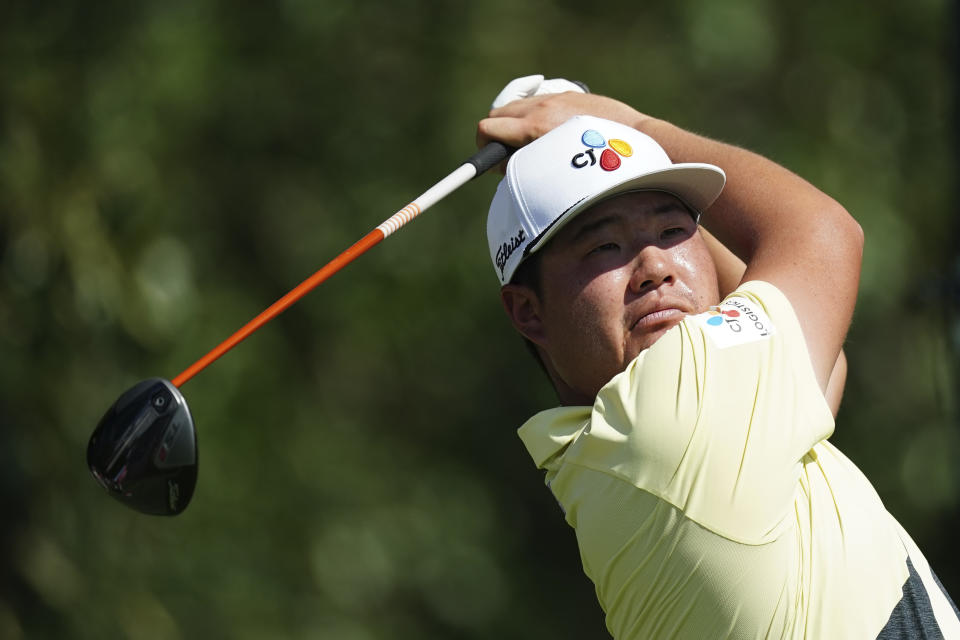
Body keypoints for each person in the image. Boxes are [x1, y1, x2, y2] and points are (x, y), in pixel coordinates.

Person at [477, 76, 960, 638]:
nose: (656, 265)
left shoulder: (602, 452)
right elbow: (825, 234)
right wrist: (632, 127)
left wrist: (595, 142)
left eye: (675, 229)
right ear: (528, 311)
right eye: (604, 245)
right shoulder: (668, 422)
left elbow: (825, 366)